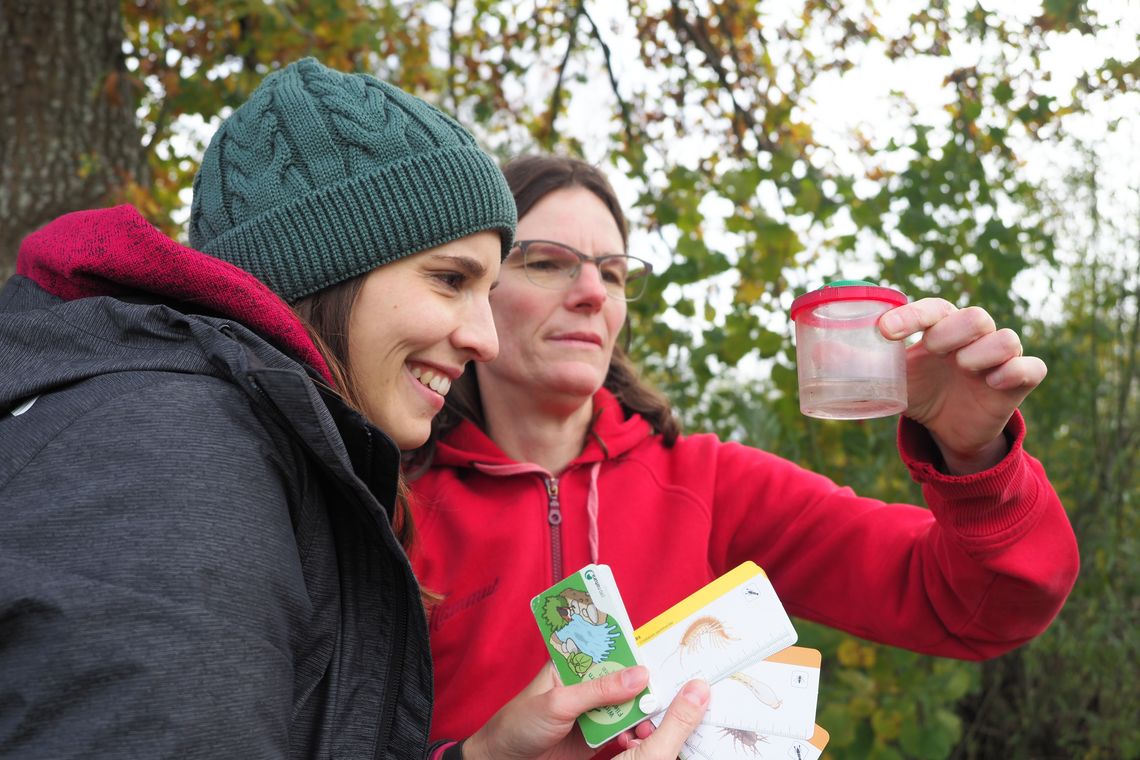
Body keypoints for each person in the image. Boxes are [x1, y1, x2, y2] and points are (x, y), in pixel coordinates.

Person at [0, 62, 709, 759]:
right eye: (449, 280)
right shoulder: (169, 462)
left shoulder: (244, 449)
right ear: (321, 268)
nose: (484, 340)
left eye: (486, 290)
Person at [408, 154, 1081, 749]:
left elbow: (979, 610)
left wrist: (974, 459)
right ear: (478, 287)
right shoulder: (388, 501)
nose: (592, 293)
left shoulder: (709, 484)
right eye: (548, 262)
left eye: (613, 274)